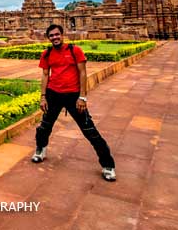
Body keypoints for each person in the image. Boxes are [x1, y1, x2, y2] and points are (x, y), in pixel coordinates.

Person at [32, 23, 116, 182]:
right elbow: (44, 75)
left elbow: (83, 73)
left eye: (57, 34)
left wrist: (82, 97)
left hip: (73, 96)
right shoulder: (47, 54)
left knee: (89, 129)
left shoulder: (74, 50)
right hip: (53, 95)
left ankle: (108, 165)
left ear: (62, 35)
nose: (55, 37)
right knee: (44, 126)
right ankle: (40, 149)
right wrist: (43, 96)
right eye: (51, 36)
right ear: (48, 38)